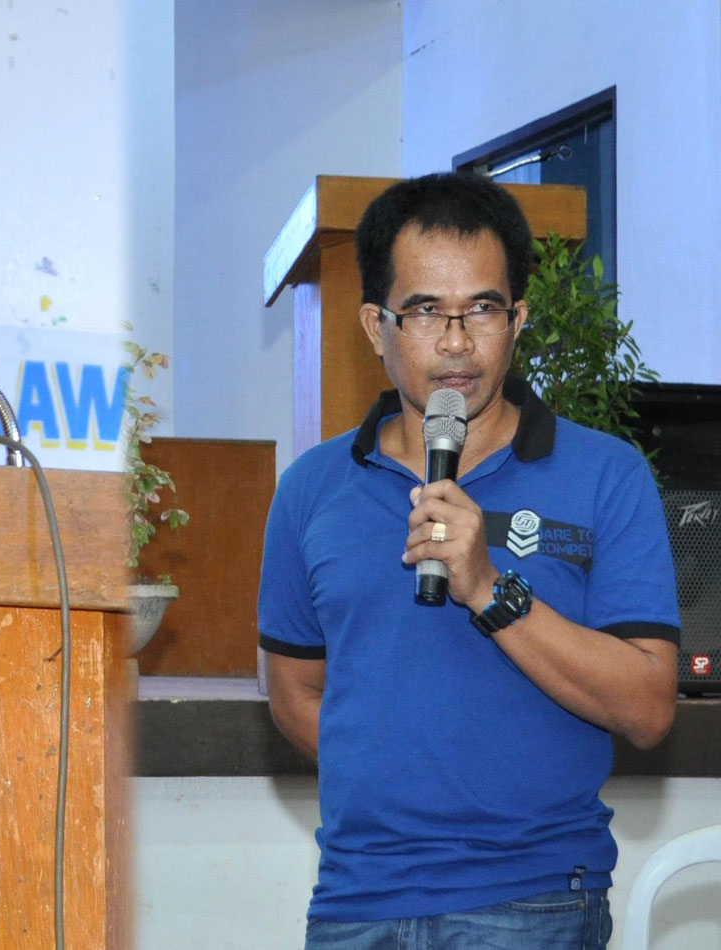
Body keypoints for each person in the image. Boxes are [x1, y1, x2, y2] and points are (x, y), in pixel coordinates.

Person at [258, 172, 679, 949]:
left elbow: (649, 706)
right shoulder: (311, 490)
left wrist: (488, 587)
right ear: (375, 325)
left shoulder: (605, 475)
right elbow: (294, 689)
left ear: (516, 319)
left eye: (482, 308)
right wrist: (401, 770)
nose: (456, 342)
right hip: (357, 901)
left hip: (535, 900)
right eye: (424, 311)